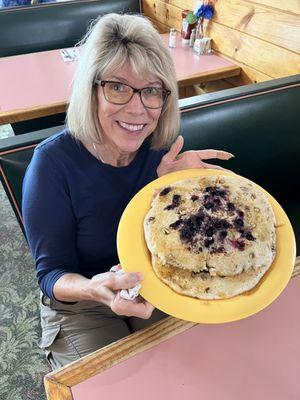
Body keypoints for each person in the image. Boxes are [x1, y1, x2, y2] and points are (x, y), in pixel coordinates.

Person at [22, 13, 233, 370]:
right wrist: (96, 288)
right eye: (118, 86)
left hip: (153, 280)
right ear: (91, 89)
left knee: (198, 369)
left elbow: (177, 240)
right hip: (83, 299)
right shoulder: (51, 165)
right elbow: (52, 275)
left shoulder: (162, 152)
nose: (137, 109)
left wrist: (172, 190)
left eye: (152, 90)